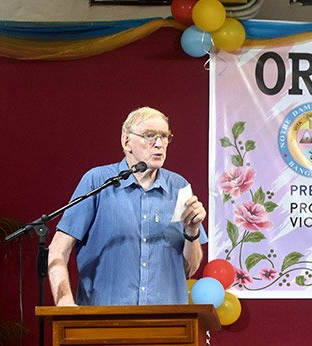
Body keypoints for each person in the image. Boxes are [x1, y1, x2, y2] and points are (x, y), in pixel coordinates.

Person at [48, 107, 207, 306]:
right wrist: (65, 305)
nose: (159, 143)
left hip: (166, 323)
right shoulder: (97, 182)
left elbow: (188, 269)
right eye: (149, 136)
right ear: (126, 141)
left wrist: (192, 232)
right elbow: (57, 250)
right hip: (104, 322)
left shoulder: (179, 187)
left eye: (164, 136)